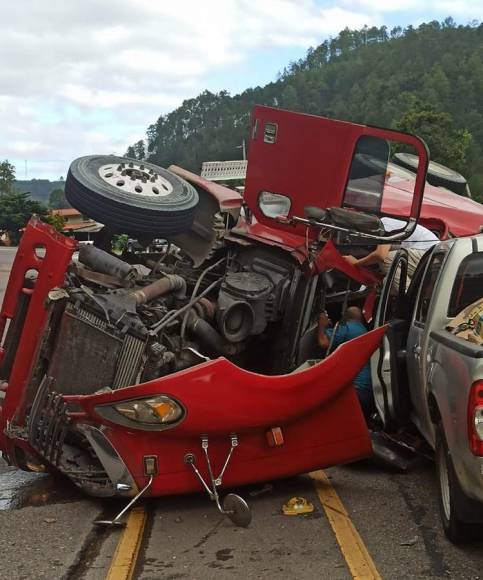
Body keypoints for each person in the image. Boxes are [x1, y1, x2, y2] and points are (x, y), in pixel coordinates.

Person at [343, 217, 439, 286]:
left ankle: (410, 299)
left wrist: (356, 263)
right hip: (429, 257)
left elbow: (380, 255)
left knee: (388, 259)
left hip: (433, 255)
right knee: (387, 283)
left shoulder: (384, 224)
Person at [318, 306, 374, 417]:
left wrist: (321, 325)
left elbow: (324, 342)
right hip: (368, 389)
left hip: (355, 391)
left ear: (345, 317)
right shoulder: (363, 330)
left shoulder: (345, 328)